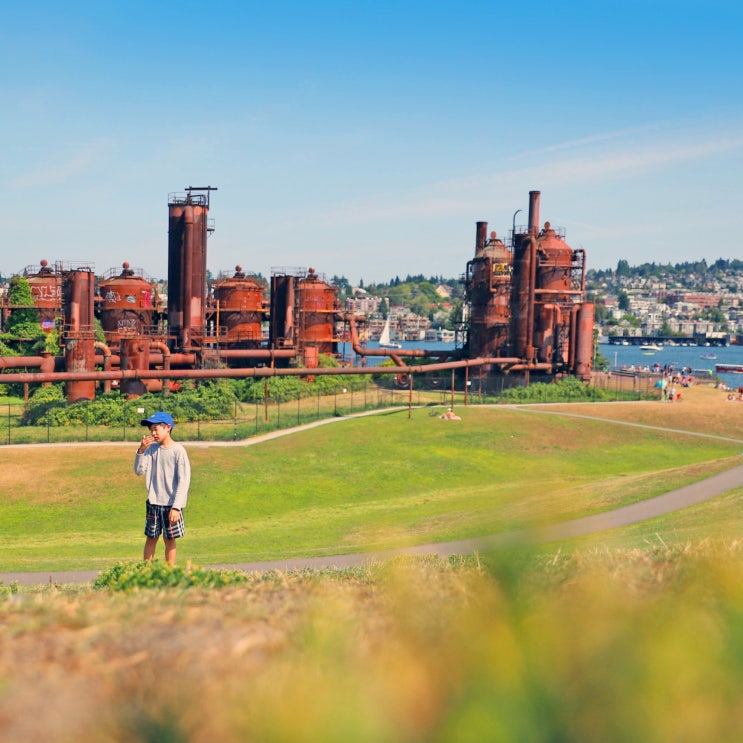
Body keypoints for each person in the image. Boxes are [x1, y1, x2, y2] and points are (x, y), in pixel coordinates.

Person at [134, 411, 191, 566]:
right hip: (153, 503)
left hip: (171, 505)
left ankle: (169, 572)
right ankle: (146, 571)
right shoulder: (151, 450)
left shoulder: (178, 451)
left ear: (167, 427)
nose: (152, 433)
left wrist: (177, 507)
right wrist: (141, 450)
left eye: (155, 429)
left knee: (169, 539)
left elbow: (184, 481)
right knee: (151, 538)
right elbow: (139, 471)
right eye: (150, 429)